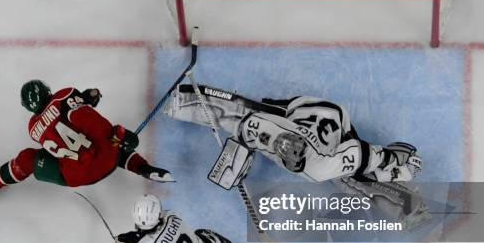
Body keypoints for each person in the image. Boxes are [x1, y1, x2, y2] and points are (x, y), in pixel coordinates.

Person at [0, 80, 173, 204]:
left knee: (28, 159)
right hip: (107, 161)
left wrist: (85, 99)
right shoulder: (64, 95)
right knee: (108, 144)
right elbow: (88, 120)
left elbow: (62, 120)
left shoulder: (33, 128)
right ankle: (143, 167)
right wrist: (119, 132)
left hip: (75, 175)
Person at [165, 84, 422, 184]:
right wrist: (239, 153)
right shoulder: (269, 131)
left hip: (329, 116)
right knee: (353, 175)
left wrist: (389, 159)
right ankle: (396, 174)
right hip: (320, 114)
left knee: (352, 176)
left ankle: (396, 174)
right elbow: (242, 121)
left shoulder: (318, 169)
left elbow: (360, 152)